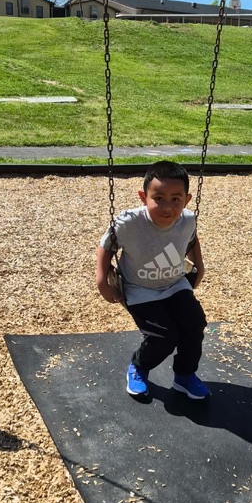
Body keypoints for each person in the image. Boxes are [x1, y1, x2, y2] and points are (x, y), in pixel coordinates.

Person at [96, 160, 210, 400]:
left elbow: (191, 239)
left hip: (174, 283)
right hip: (139, 289)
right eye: (158, 198)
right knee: (165, 336)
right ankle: (138, 366)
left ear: (187, 200)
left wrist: (199, 266)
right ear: (143, 196)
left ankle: (184, 375)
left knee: (194, 324)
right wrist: (101, 281)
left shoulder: (188, 219)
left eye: (175, 199)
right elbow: (106, 246)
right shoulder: (128, 222)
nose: (167, 206)